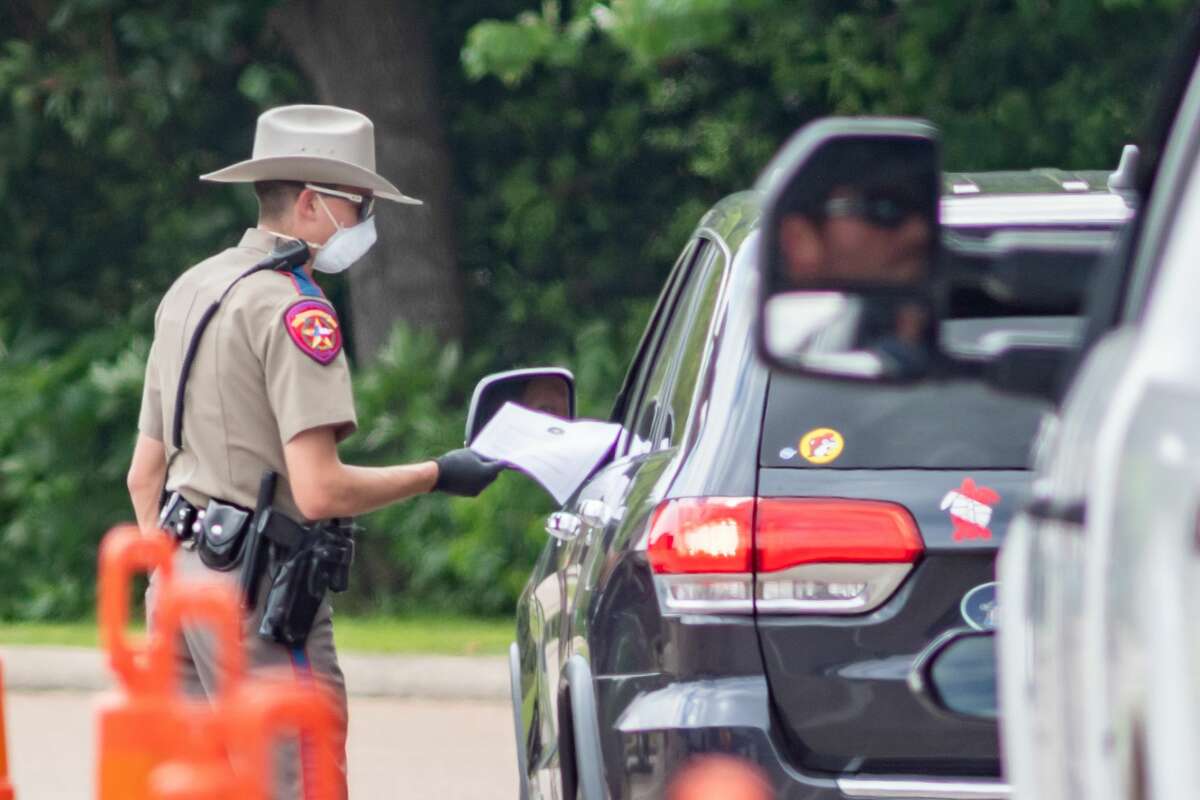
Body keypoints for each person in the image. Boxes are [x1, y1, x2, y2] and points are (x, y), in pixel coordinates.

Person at [124, 104, 503, 797]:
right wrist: (437, 475)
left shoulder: (190, 289)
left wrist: (172, 584)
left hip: (175, 589)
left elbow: (144, 473)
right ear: (309, 203)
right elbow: (320, 490)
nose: (365, 226)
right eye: (359, 206)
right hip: (254, 596)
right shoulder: (295, 309)